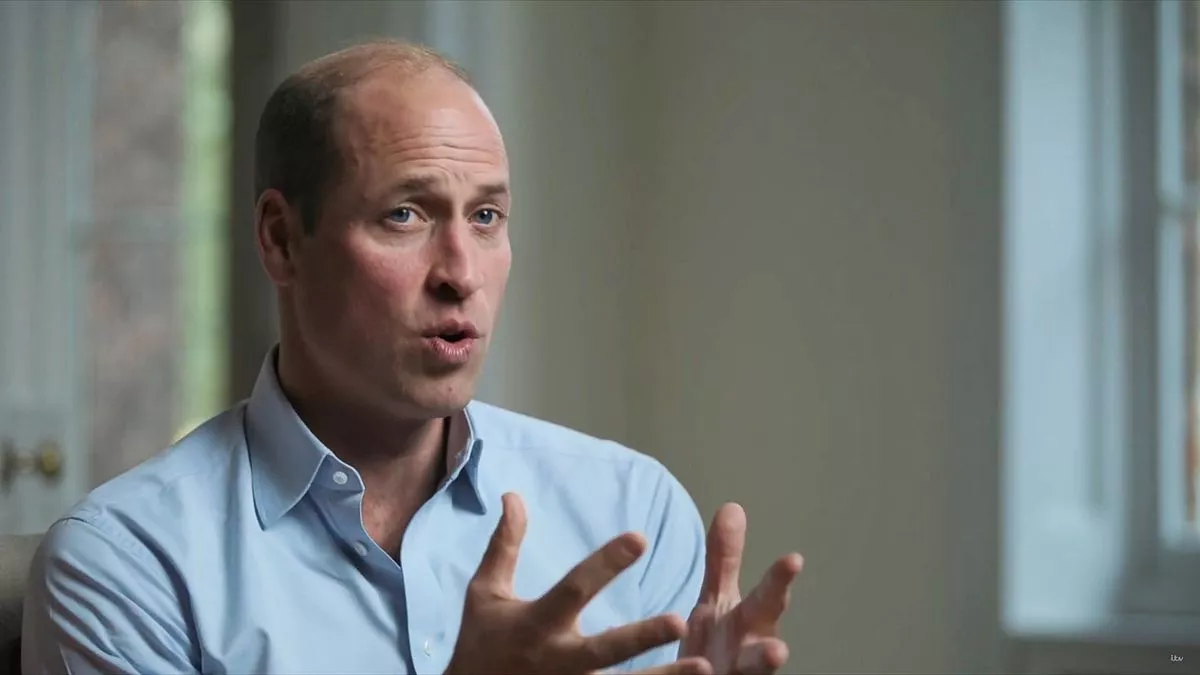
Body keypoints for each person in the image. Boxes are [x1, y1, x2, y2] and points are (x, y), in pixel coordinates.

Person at [21, 41, 803, 675]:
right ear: (282, 239)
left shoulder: (632, 512)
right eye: (405, 214)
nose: (461, 272)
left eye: (487, 216)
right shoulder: (126, 564)